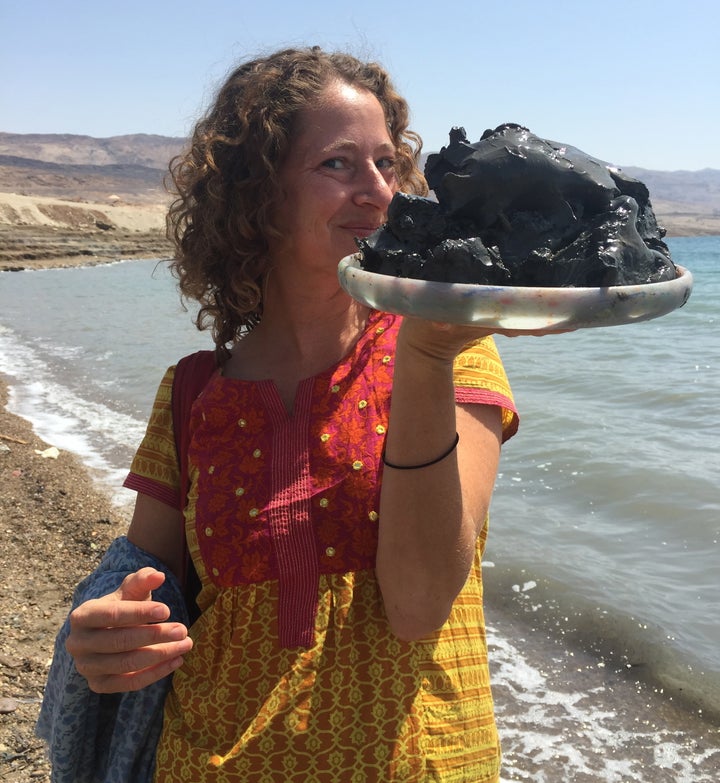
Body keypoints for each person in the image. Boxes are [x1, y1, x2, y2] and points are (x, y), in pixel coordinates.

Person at [38, 46, 519, 782]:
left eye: (387, 165)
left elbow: (421, 603)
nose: (379, 192)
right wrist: (105, 640)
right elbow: (144, 588)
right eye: (338, 165)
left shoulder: (452, 355)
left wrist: (424, 354)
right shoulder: (194, 391)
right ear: (255, 195)